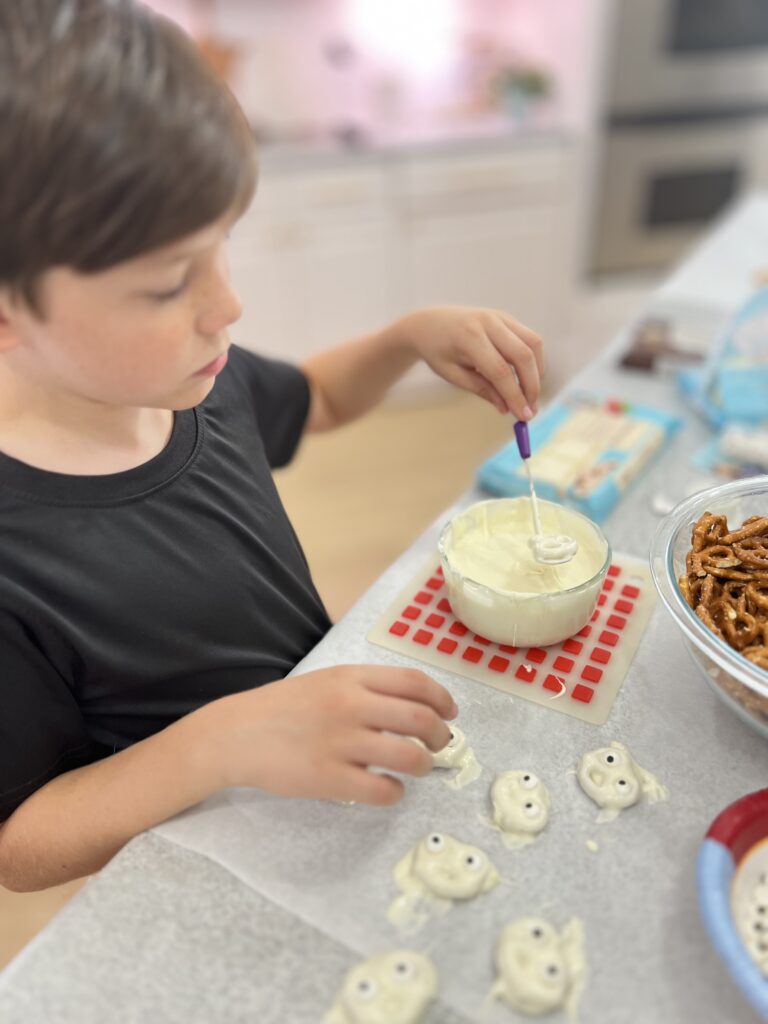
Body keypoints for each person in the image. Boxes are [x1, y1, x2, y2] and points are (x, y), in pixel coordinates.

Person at [0, 0, 544, 892]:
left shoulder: (191, 380)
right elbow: (19, 843)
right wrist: (219, 742)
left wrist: (408, 336)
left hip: (325, 780)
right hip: (216, 867)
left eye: (222, 249)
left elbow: (319, 397)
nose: (228, 305)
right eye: (171, 283)